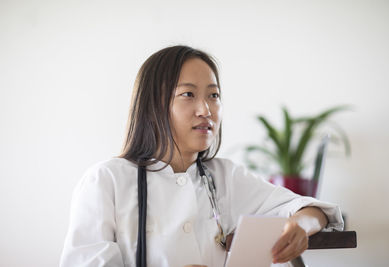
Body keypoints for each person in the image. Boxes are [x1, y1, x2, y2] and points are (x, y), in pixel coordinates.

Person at [60, 45, 344, 267]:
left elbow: (312, 210)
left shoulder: (225, 177)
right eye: (188, 95)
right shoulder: (106, 181)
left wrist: (298, 227)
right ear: (153, 105)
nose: (205, 110)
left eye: (213, 95)